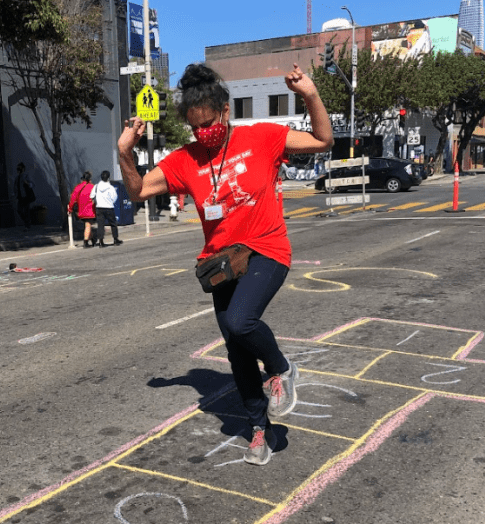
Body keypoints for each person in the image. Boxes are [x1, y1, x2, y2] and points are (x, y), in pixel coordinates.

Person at [117, 63, 333, 466]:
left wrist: (311, 94)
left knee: (240, 321)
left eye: (210, 123)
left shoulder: (262, 137)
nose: (204, 132)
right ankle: (258, 430)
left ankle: (282, 369)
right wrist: (125, 151)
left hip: (267, 248)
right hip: (221, 263)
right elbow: (139, 190)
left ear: (226, 112)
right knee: (236, 352)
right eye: (196, 127)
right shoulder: (185, 159)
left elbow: (323, 140)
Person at [90, 170, 122, 247]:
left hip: (99, 207)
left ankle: (101, 241)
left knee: (100, 225)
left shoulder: (96, 186)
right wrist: (109, 201)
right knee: (113, 224)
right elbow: (114, 198)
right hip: (109, 207)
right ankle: (115, 239)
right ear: (108, 178)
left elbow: (91, 196)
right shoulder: (110, 187)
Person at [68, 171, 96, 247]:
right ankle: (86, 241)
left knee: (87, 225)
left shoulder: (78, 187)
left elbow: (73, 198)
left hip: (81, 210)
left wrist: (70, 209)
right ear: (89, 179)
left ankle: (93, 239)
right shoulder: (92, 187)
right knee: (88, 225)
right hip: (90, 209)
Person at [14, 162, 36, 230]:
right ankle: (27, 221)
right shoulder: (17, 178)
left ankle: (27, 225)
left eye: (19, 168)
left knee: (26, 211)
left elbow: (32, 184)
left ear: (23, 169)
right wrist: (15, 194)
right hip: (20, 197)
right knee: (19, 210)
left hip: (26, 196)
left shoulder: (26, 176)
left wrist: (26, 182)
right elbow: (15, 187)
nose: (18, 169)